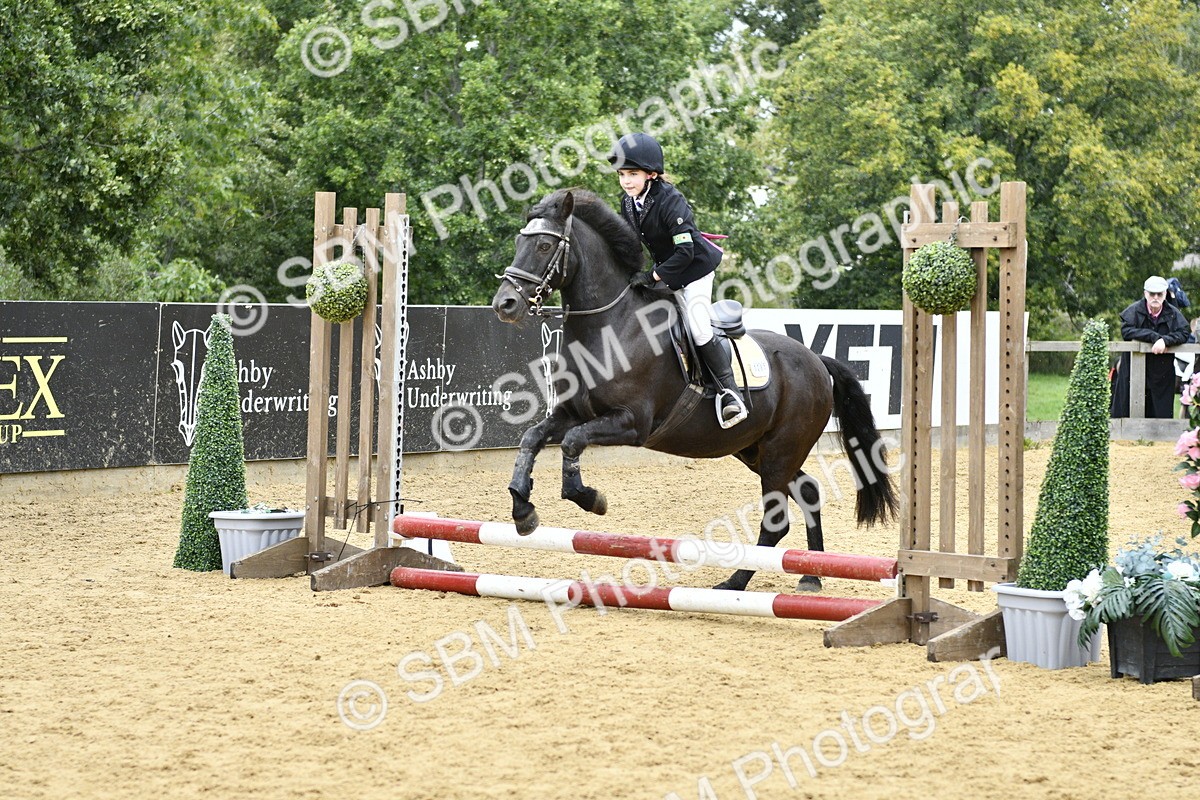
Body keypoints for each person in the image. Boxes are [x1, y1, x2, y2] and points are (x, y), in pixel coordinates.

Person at [607, 132, 748, 428]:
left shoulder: (671, 200)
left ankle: (730, 393)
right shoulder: (629, 202)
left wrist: (652, 276)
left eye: (632, 174)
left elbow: (684, 252)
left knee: (697, 328)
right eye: (622, 174)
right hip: (667, 269)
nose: (626, 181)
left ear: (651, 174)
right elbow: (632, 243)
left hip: (695, 269)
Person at [1110, 275, 1191, 418]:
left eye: (1159, 294)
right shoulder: (1134, 310)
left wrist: (1165, 340)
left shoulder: (1173, 313)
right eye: (1152, 294)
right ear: (1145, 293)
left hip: (1161, 370)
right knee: (1127, 406)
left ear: (1165, 294)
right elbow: (1126, 331)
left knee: (1160, 412)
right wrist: (1153, 336)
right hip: (1133, 368)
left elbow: (1184, 332)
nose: (1155, 297)